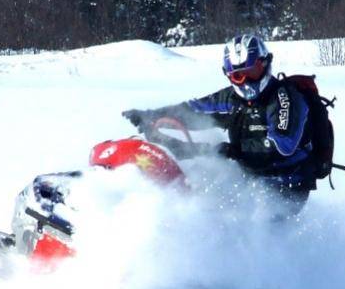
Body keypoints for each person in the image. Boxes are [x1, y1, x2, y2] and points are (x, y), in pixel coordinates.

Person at [122, 34, 333, 206]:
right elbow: (194, 110)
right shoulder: (232, 97)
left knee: (226, 217)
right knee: (203, 190)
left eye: (253, 71)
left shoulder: (285, 98)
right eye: (238, 76)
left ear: (266, 64)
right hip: (251, 178)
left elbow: (283, 145)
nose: (247, 81)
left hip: (288, 187)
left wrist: (234, 150)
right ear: (229, 76)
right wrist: (152, 115)